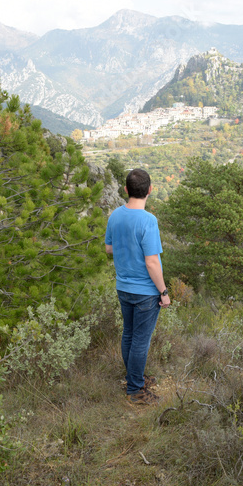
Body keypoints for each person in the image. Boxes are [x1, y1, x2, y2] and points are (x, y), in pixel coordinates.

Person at [104, 168, 171, 405]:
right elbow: (152, 262)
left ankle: (134, 377)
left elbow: (109, 248)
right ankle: (135, 389)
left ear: (125, 190)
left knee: (129, 335)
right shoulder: (148, 221)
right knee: (141, 341)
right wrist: (163, 292)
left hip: (123, 287)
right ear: (150, 190)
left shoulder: (115, 216)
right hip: (145, 292)